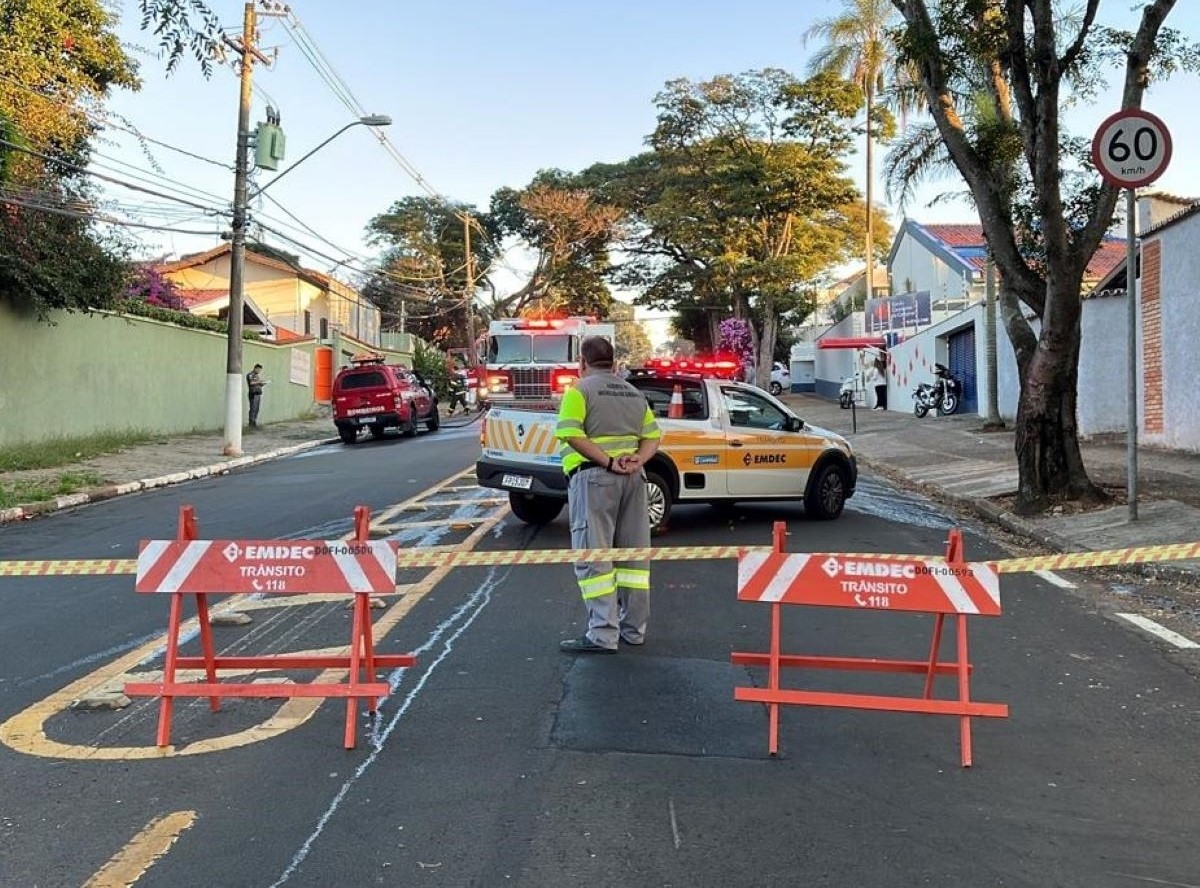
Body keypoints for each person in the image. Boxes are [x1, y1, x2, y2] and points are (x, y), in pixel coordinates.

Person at [554, 336, 661, 654]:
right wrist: (636, 461)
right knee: (634, 556)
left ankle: (602, 633)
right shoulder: (633, 392)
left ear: (583, 363)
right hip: (634, 480)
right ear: (613, 363)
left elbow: (570, 433)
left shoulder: (580, 390)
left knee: (594, 555)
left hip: (594, 480)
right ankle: (634, 630)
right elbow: (652, 437)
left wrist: (608, 461)